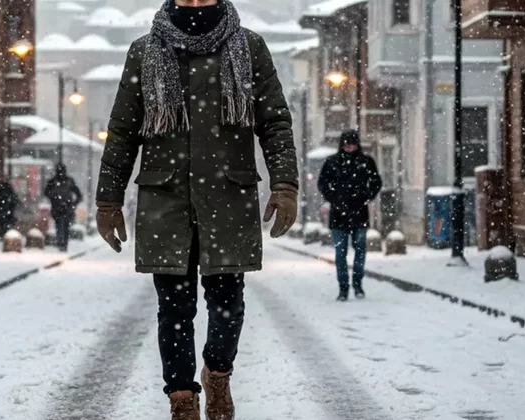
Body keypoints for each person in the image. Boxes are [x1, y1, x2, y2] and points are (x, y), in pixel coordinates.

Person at [95, 0, 299, 418]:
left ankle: (217, 373)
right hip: (165, 197)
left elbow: (274, 121)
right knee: (174, 307)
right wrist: (107, 198)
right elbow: (122, 131)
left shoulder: (248, 47)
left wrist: (285, 184)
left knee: (228, 305)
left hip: (227, 195)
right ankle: (181, 398)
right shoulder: (144, 51)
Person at [317, 129, 383, 302]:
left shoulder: (366, 162)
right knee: (340, 254)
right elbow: (322, 183)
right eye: (346, 144)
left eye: (352, 144)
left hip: (359, 214)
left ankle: (358, 283)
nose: (349, 147)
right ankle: (343, 288)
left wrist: (366, 196)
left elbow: (376, 182)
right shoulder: (332, 162)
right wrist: (334, 197)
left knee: (360, 251)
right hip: (338, 216)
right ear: (342, 145)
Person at [44, 163, 83, 252]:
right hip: (61, 208)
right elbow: (46, 193)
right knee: (62, 226)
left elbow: (78, 195)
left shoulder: (60, 181)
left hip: (64, 208)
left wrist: (72, 204)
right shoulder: (57, 181)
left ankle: (62, 243)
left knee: (62, 226)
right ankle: (62, 243)